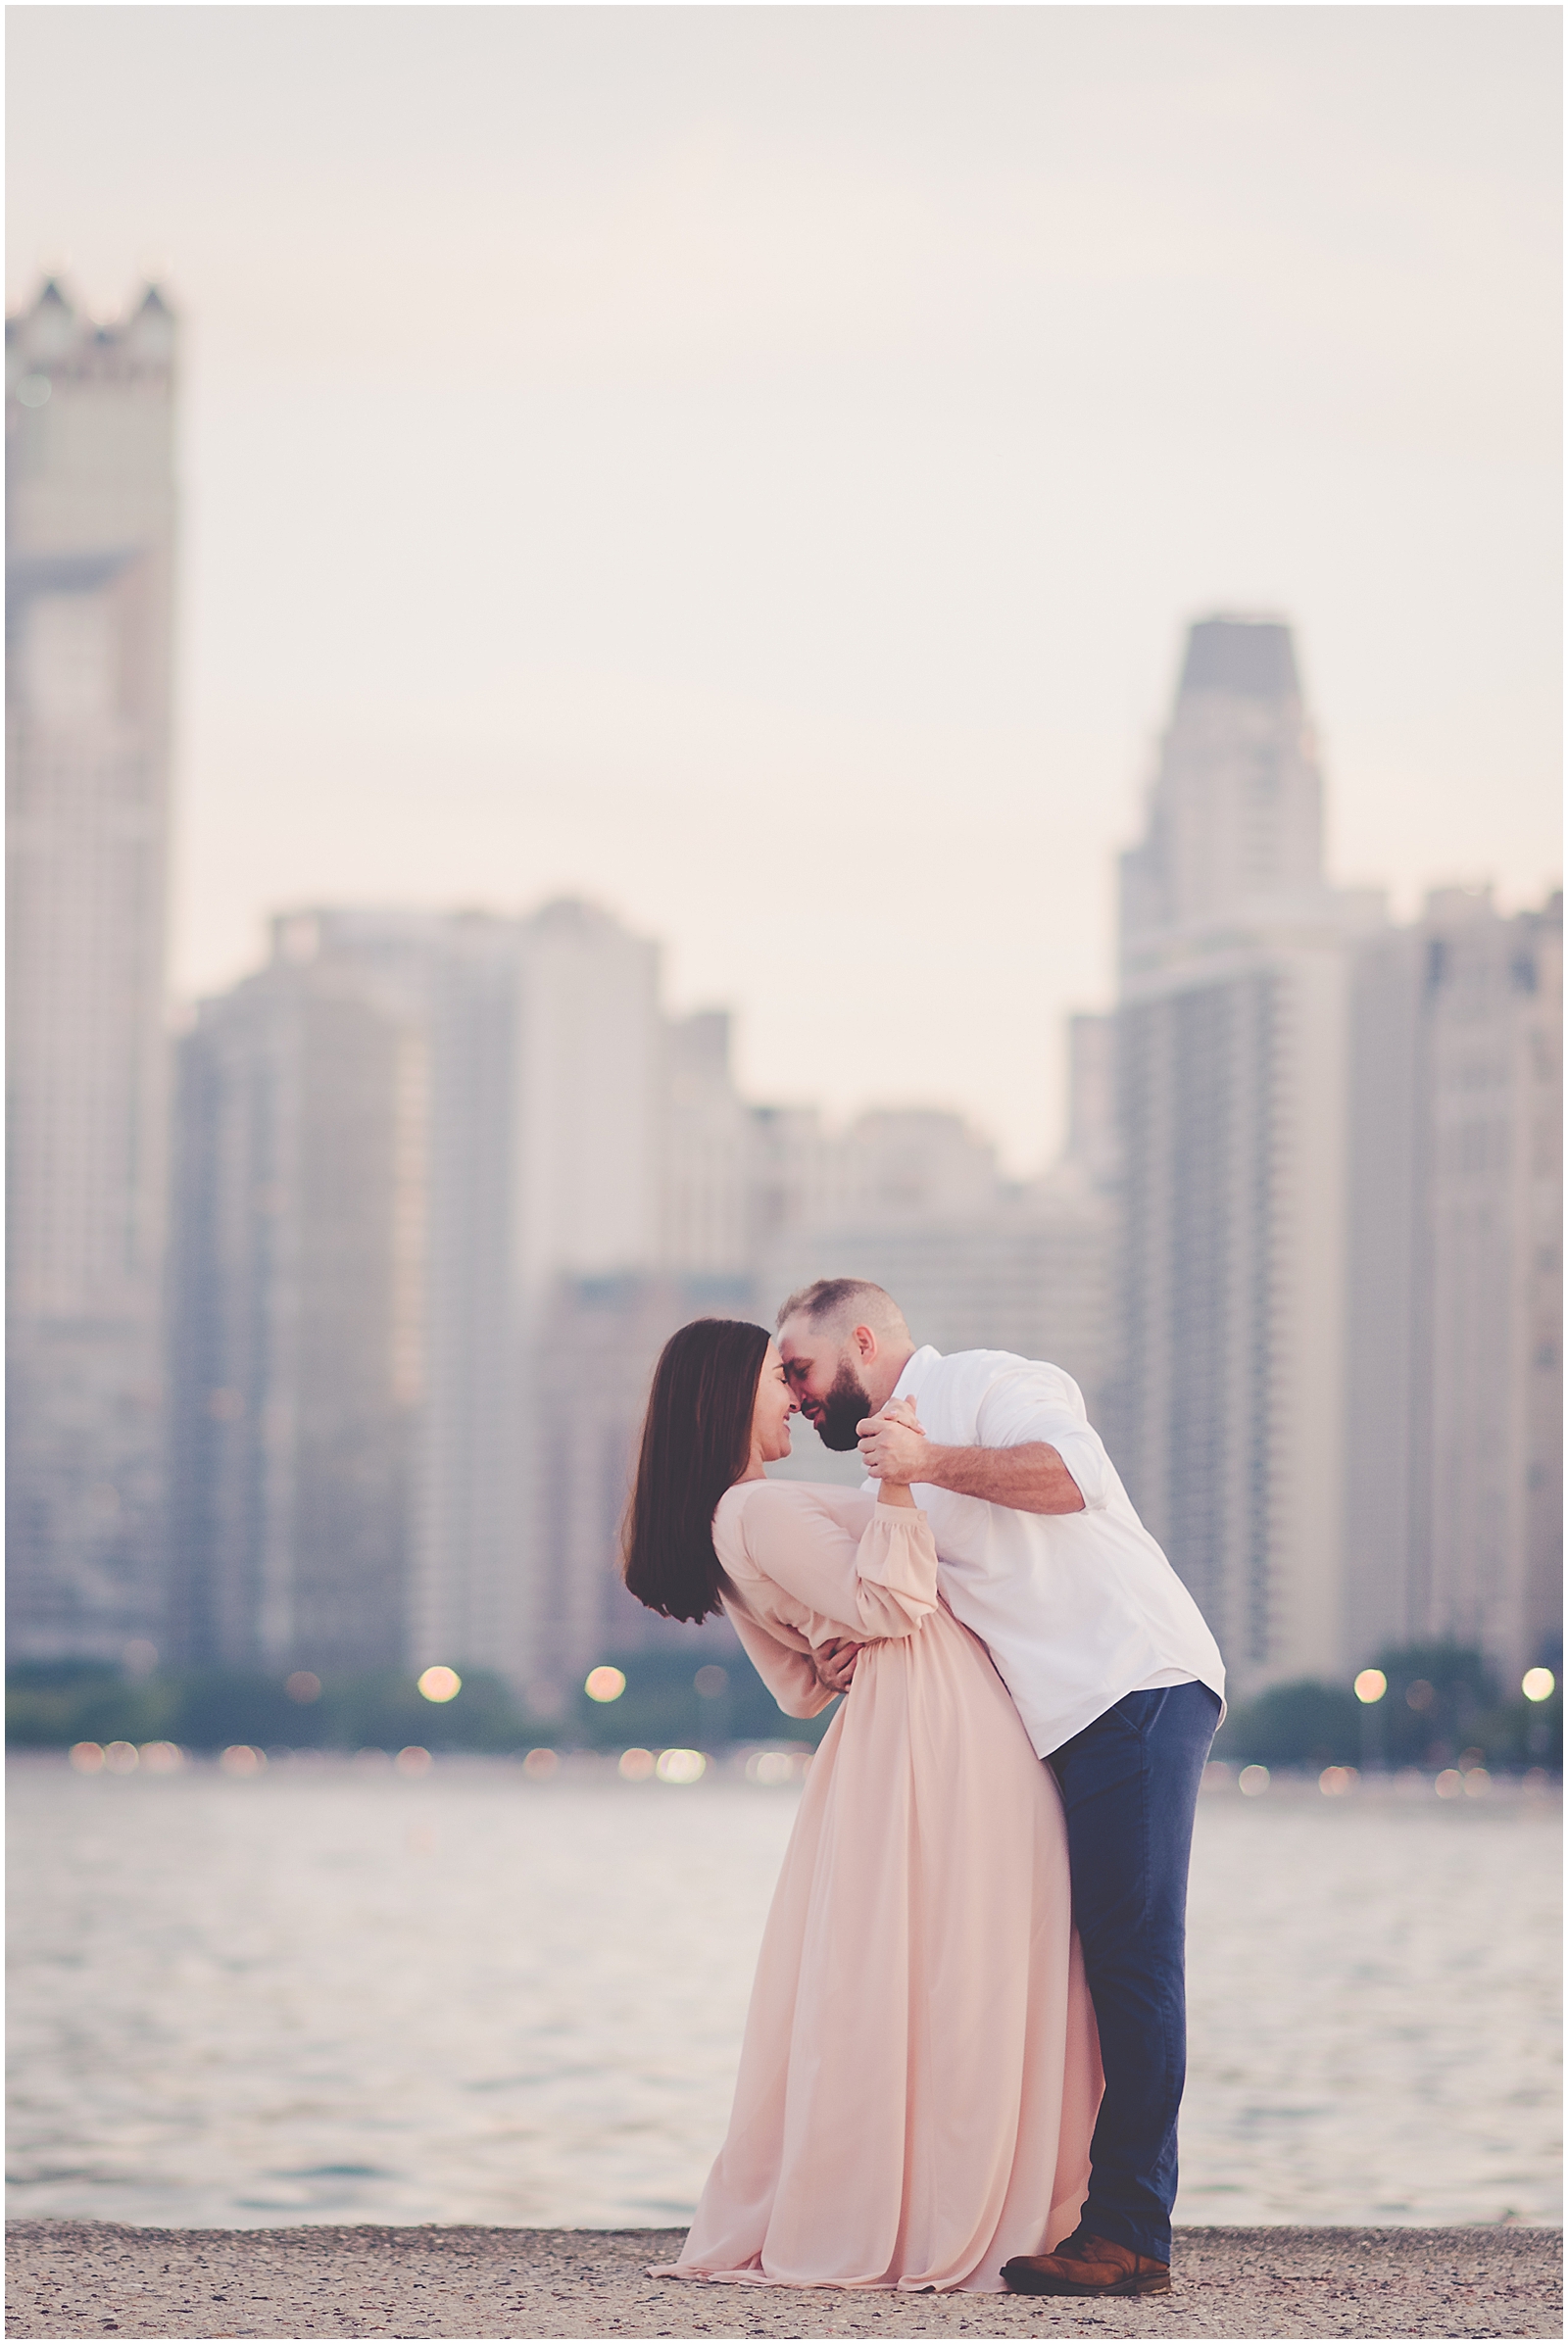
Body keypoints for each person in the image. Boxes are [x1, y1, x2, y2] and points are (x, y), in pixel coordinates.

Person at [623, 1316, 1102, 2296]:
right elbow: (890, 1605)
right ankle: (959, 2201)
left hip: (908, 1720)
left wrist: (837, 1639)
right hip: (937, 1721)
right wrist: (894, 1482)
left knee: (926, 1962)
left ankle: (933, 2195)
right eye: (775, 1378)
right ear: (723, 1398)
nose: (796, 1398)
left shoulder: (736, 1515)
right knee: (972, 1956)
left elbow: (803, 1684)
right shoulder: (751, 1513)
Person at [777, 1277, 1224, 2302]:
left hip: (1134, 1684)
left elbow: (1072, 1472)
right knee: (1077, 1968)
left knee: (1133, 1963)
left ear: (859, 1341)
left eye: (800, 1370)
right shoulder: (884, 1480)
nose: (796, 1397)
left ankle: (1127, 2235)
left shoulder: (987, 1384)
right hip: (1054, 1720)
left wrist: (929, 1460)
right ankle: (1057, 2210)